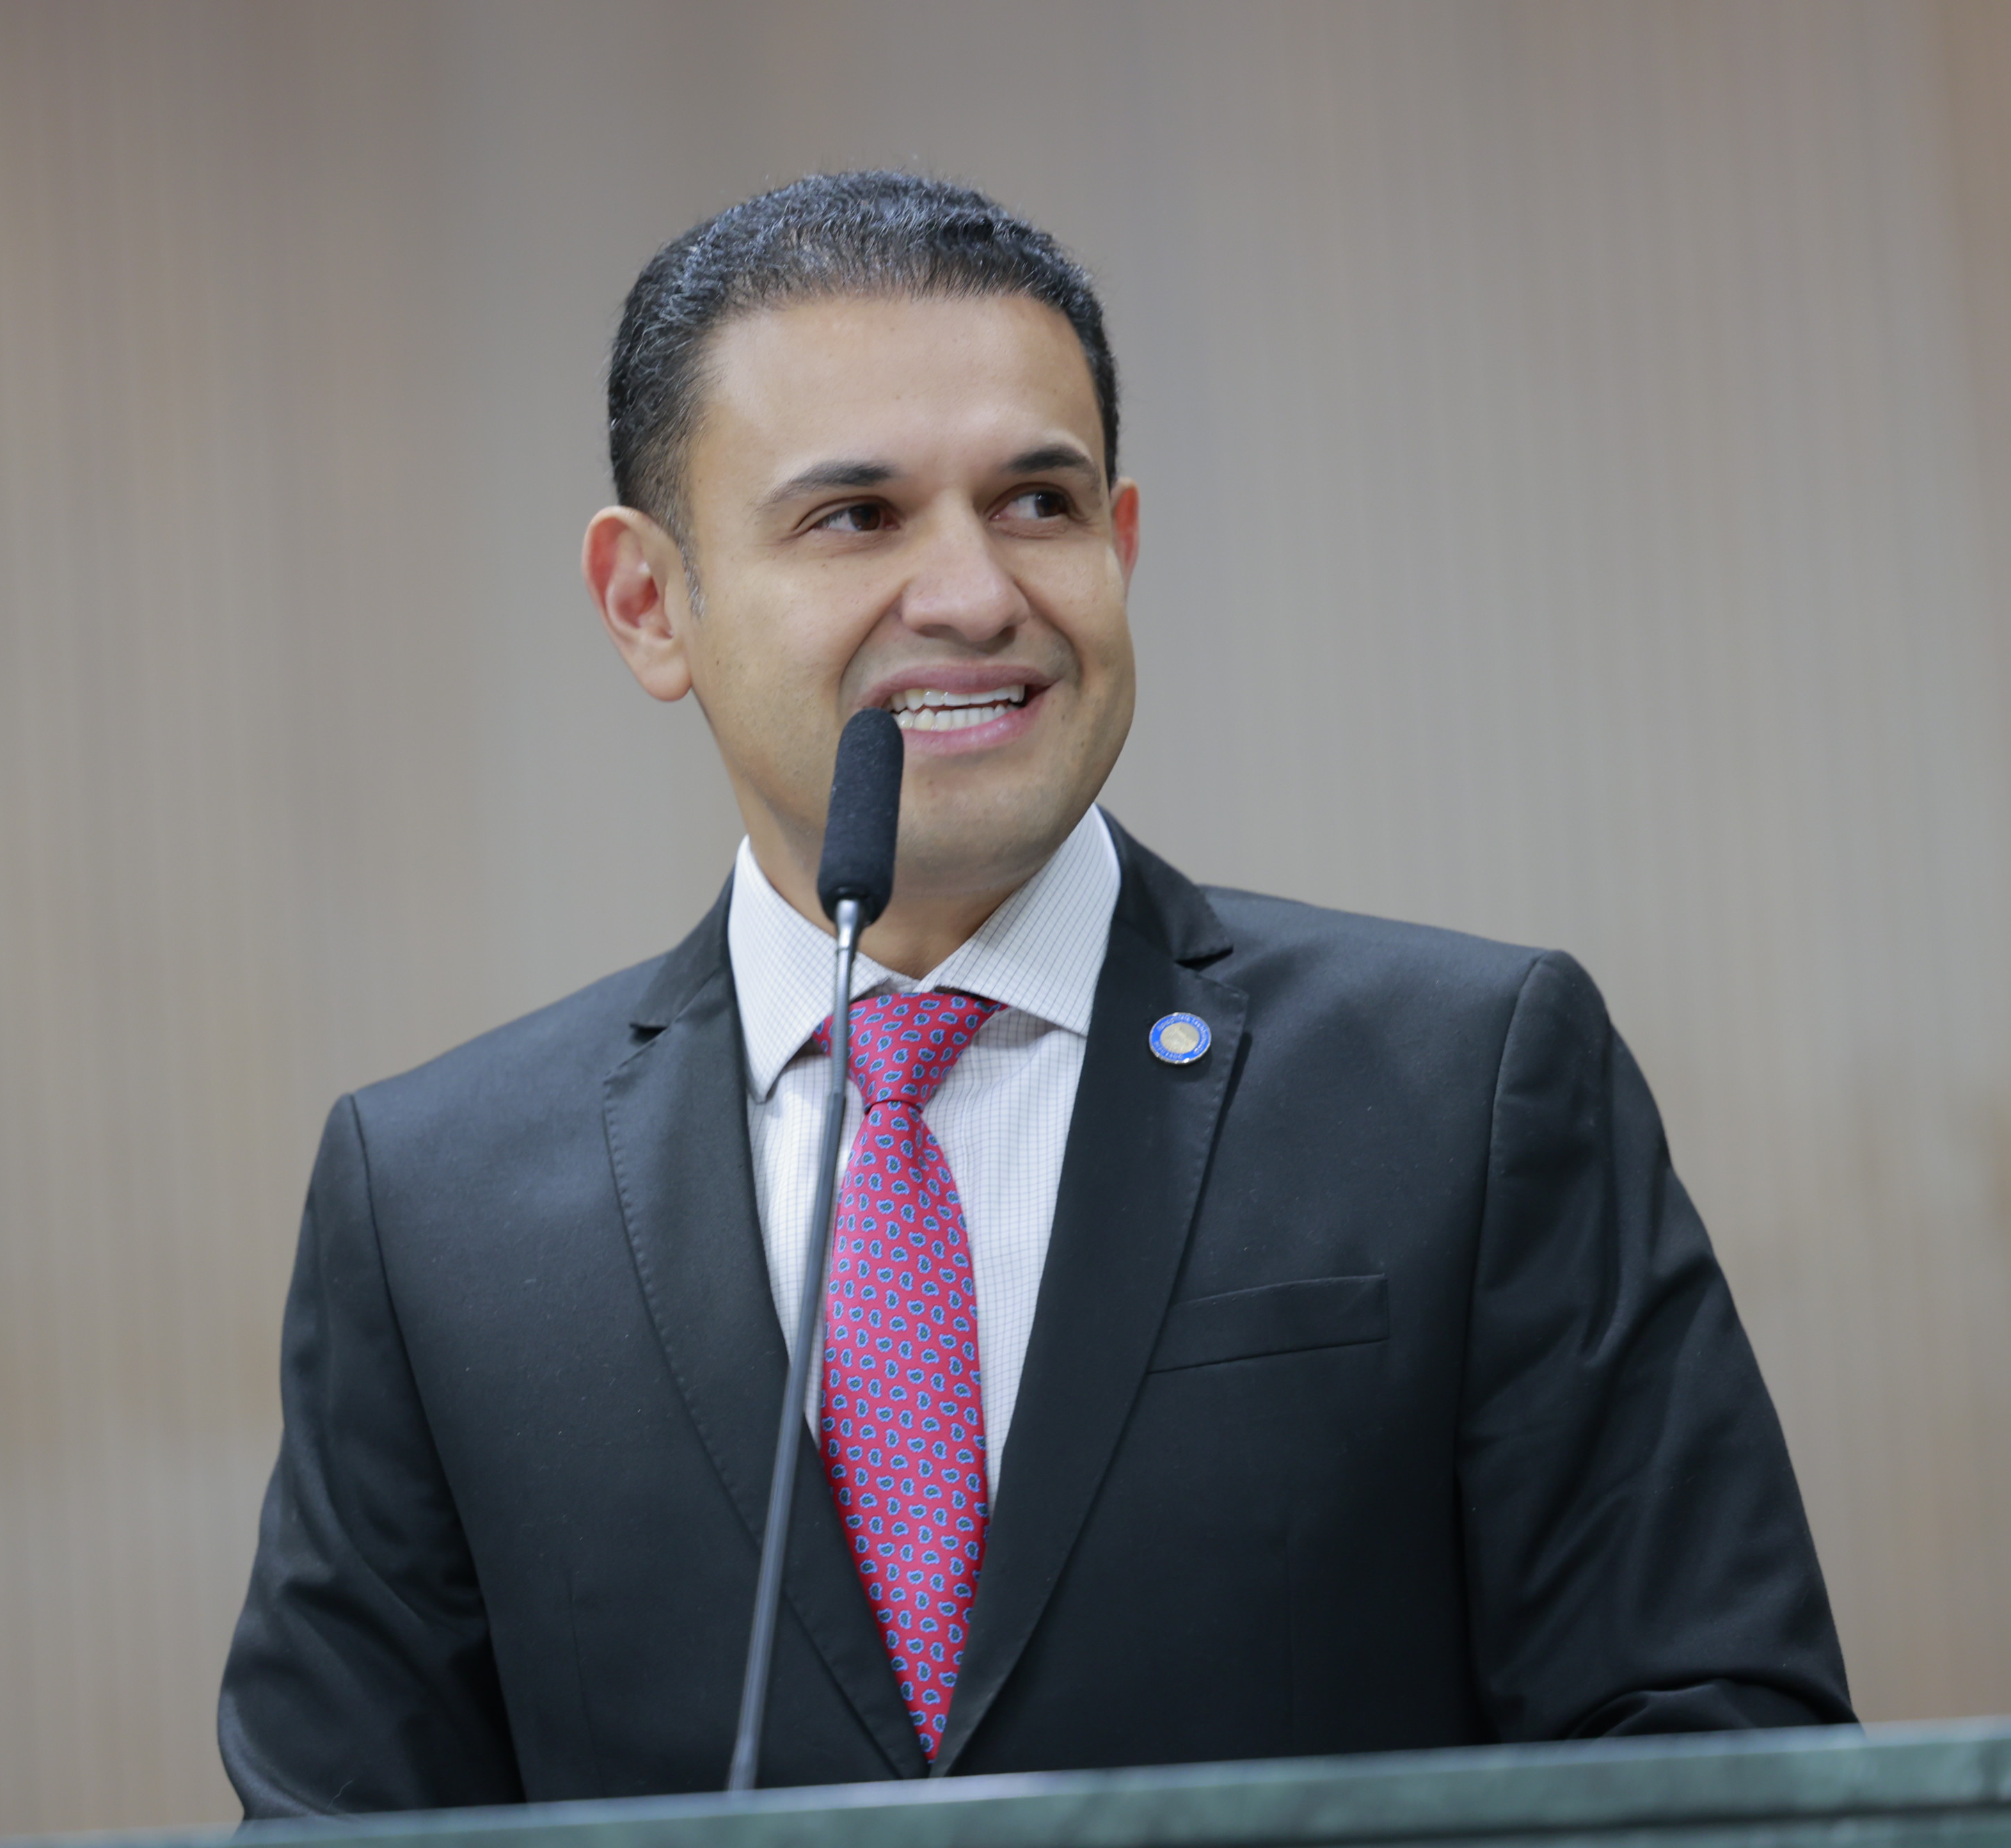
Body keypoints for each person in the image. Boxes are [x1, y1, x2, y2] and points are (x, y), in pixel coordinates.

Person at [218, 171, 1853, 1815]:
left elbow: (1716, 1758)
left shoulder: (1466, 1085)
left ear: (1120, 543)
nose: (975, 594)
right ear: (652, 603)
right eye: (856, 518)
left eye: (1037, 502)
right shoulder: (434, 1208)